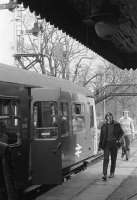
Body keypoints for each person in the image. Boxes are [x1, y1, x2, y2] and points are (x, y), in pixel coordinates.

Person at [98, 112, 124, 181]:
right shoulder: (104, 125)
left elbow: (122, 133)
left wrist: (118, 140)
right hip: (106, 144)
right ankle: (104, 174)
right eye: (107, 117)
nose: (108, 118)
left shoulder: (116, 124)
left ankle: (112, 173)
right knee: (106, 159)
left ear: (112, 117)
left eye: (109, 116)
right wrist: (100, 146)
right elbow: (101, 136)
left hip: (114, 144)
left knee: (113, 159)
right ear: (106, 118)